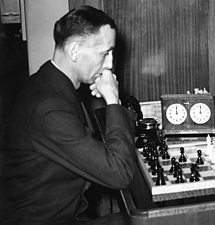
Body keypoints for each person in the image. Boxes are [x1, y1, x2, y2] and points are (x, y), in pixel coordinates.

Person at [0, 6, 136, 225]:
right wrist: (113, 99)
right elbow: (119, 174)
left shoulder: (48, 83)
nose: (110, 64)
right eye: (104, 53)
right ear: (74, 51)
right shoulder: (48, 107)